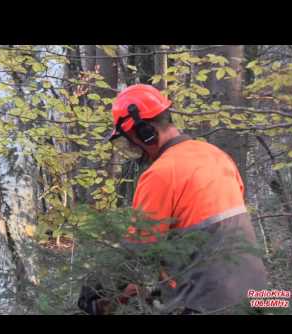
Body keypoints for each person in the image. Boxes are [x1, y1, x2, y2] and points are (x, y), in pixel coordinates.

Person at [78, 84, 268, 315]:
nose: (131, 149)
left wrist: (100, 291)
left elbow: (139, 251)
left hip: (211, 304)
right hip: (260, 296)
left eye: (128, 141)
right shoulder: (217, 155)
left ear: (144, 132)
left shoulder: (160, 173)